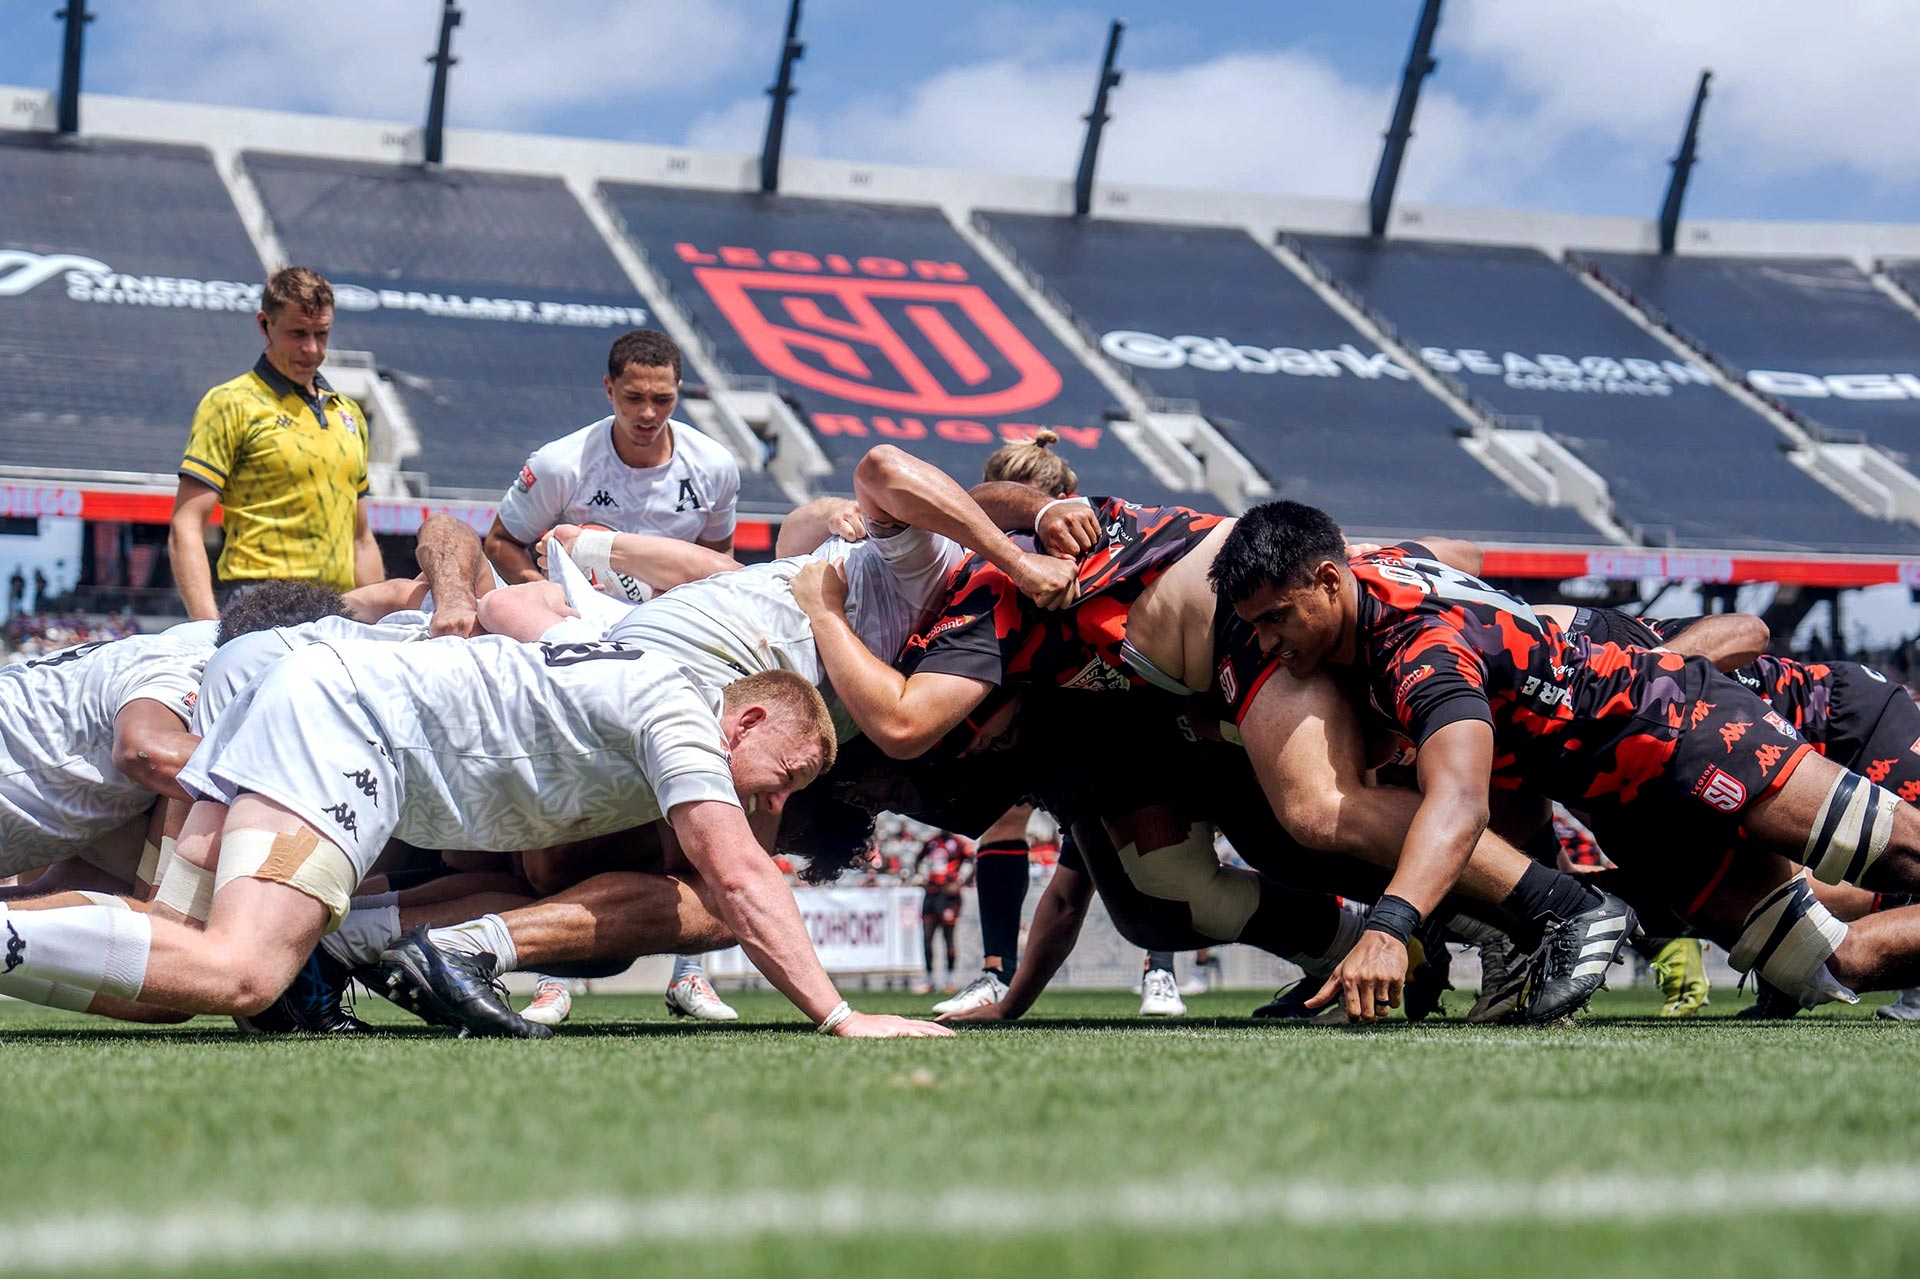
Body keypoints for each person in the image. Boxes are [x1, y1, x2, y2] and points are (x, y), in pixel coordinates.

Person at [0, 628, 951, 1041]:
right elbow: (740, 877)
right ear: (743, 724)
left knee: (169, 975)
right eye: (780, 778)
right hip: (345, 725)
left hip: (318, 704)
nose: (772, 805)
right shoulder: (679, 713)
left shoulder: (640, 691)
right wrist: (839, 1012)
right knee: (237, 970)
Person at [1210, 501, 1920, 1018]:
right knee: (1823, 964)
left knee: (1893, 849)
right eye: (1253, 626)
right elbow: (1462, 551)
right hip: (1631, 809)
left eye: (1277, 617)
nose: (1267, 643)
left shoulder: (1419, 654)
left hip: (1678, 726)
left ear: (1331, 582)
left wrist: (1390, 926)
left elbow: (1461, 803)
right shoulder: (1384, 569)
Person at [482, 328, 743, 1025]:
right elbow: (500, 540)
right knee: (561, 801)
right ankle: (550, 976)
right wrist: (551, 601)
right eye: (634, 397)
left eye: (662, 398)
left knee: (698, 793)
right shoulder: (563, 462)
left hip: (672, 654)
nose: (648, 412)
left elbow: (717, 559)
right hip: (578, 651)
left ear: (679, 393)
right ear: (609, 391)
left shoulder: (714, 466)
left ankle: (692, 974)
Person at [169, 267, 384, 620]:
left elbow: (361, 538)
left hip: (338, 609)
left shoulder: (349, 414)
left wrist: (377, 623)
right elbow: (187, 525)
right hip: (260, 602)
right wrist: (207, 631)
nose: (311, 349)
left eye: (322, 334)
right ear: (264, 324)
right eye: (297, 333)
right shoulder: (231, 403)